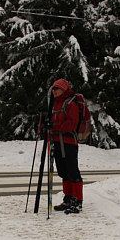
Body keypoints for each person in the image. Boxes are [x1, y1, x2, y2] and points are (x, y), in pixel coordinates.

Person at [49, 78, 84, 214]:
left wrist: (54, 127)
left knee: (72, 171)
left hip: (69, 142)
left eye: (56, 88)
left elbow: (72, 124)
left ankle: (78, 201)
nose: (54, 91)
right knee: (63, 172)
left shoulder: (70, 103)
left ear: (63, 89)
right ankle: (68, 199)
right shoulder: (55, 104)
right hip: (57, 142)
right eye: (53, 88)